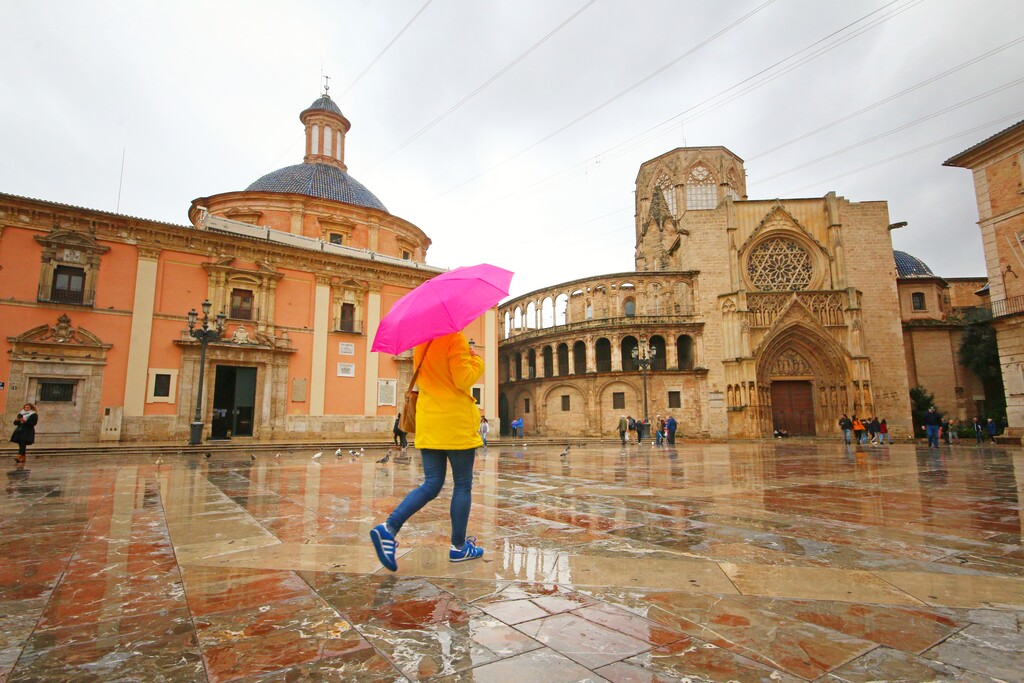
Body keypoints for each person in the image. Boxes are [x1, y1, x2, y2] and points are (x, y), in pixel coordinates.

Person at [370, 332, 485, 572]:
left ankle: (389, 528)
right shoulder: (455, 339)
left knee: (431, 483)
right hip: (454, 422)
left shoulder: (422, 342)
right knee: (463, 484)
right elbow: (463, 379)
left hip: (429, 421)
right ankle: (459, 547)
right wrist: (476, 360)